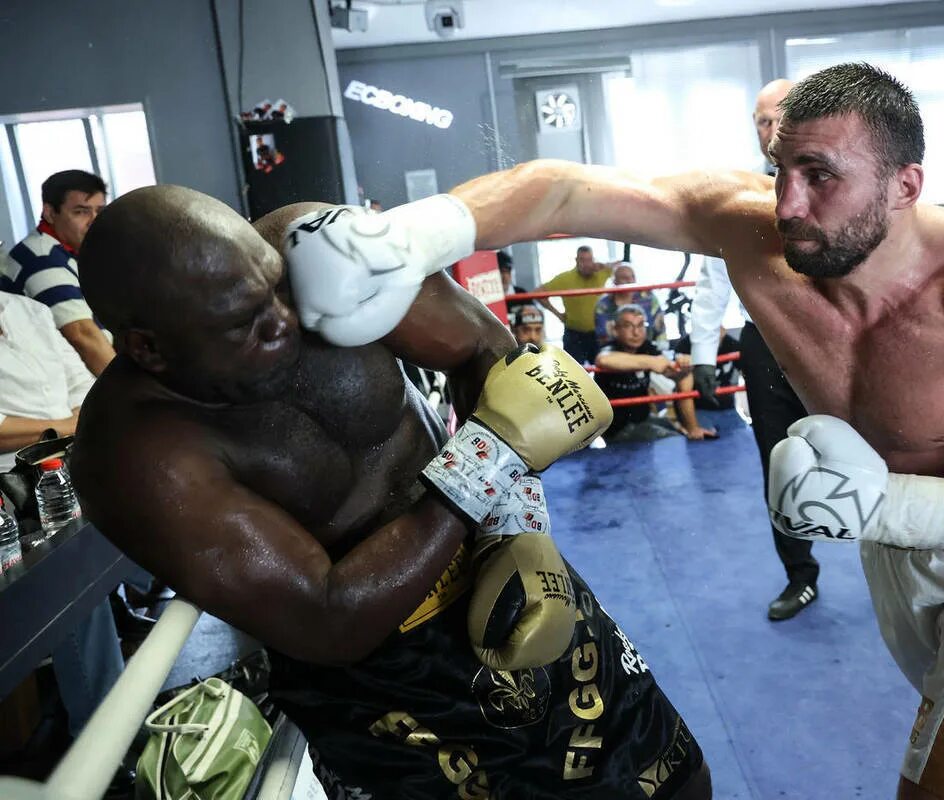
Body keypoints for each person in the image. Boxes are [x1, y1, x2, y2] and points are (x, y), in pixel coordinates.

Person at [310, 61, 944, 800]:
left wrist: (886, 503)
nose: (786, 204)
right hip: (901, 556)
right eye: (780, 170)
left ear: (906, 186)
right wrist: (413, 235)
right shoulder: (755, 234)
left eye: (821, 177)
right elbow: (567, 188)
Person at [71, 187, 712, 800]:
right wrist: (488, 460)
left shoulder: (313, 249)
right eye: (245, 323)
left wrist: (512, 526)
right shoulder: (136, 455)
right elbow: (328, 618)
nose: (286, 320)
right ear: (147, 348)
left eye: (273, 288)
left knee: (669, 776)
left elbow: (482, 349)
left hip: (497, 558)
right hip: (384, 675)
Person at [690, 78, 820, 621]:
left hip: (832, 338)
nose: (769, 130)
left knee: (877, 449)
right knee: (779, 464)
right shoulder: (744, 199)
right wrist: (701, 355)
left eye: (778, 117)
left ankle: (902, 556)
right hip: (764, 342)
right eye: (760, 122)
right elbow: (713, 278)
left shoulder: (844, 182)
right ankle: (800, 574)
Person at [0, 290, 125, 742]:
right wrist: (62, 425)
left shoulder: (28, 311)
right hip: (9, 497)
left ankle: (106, 735)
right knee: (73, 592)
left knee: (84, 593)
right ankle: (102, 740)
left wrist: (48, 429)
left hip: (64, 474)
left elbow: (86, 389)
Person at [2, 170, 114, 376]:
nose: (94, 220)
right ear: (50, 213)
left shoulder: (75, 251)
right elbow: (82, 336)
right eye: (81, 212)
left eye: (100, 210)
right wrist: (133, 395)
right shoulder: (41, 258)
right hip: (62, 387)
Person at [594, 305, 716, 443]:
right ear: (615, 330)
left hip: (642, 418)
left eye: (641, 325)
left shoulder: (646, 348)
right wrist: (651, 362)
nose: (636, 332)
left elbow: (676, 375)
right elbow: (603, 359)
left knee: (680, 431)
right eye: (628, 326)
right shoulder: (610, 348)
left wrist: (683, 368)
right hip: (616, 427)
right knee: (674, 441)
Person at [533, 245, 612, 364]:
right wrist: (558, 314)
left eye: (589, 260)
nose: (586, 264)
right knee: (575, 372)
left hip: (598, 333)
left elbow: (621, 267)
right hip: (574, 334)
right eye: (583, 260)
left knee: (603, 369)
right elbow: (538, 292)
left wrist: (604, 265)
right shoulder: (565, 278)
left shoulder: (601, 272)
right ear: (576, 261)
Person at [594, 263, 666, 349]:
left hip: (648, 347)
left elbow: (660, 325)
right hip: (616, 350)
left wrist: (662, 346)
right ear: (614, 281)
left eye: (633, 277)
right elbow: (603, 336)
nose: (630, 281)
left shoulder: (648, 297)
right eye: (624, 278)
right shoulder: (603, 304)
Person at [673, 327, 740, 411]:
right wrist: (683, 363)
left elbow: (748, 367)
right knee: (684, 382)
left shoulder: (731, 343)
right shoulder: (685, 345)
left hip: (727, 406)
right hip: (698, 407)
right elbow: (673, 373)